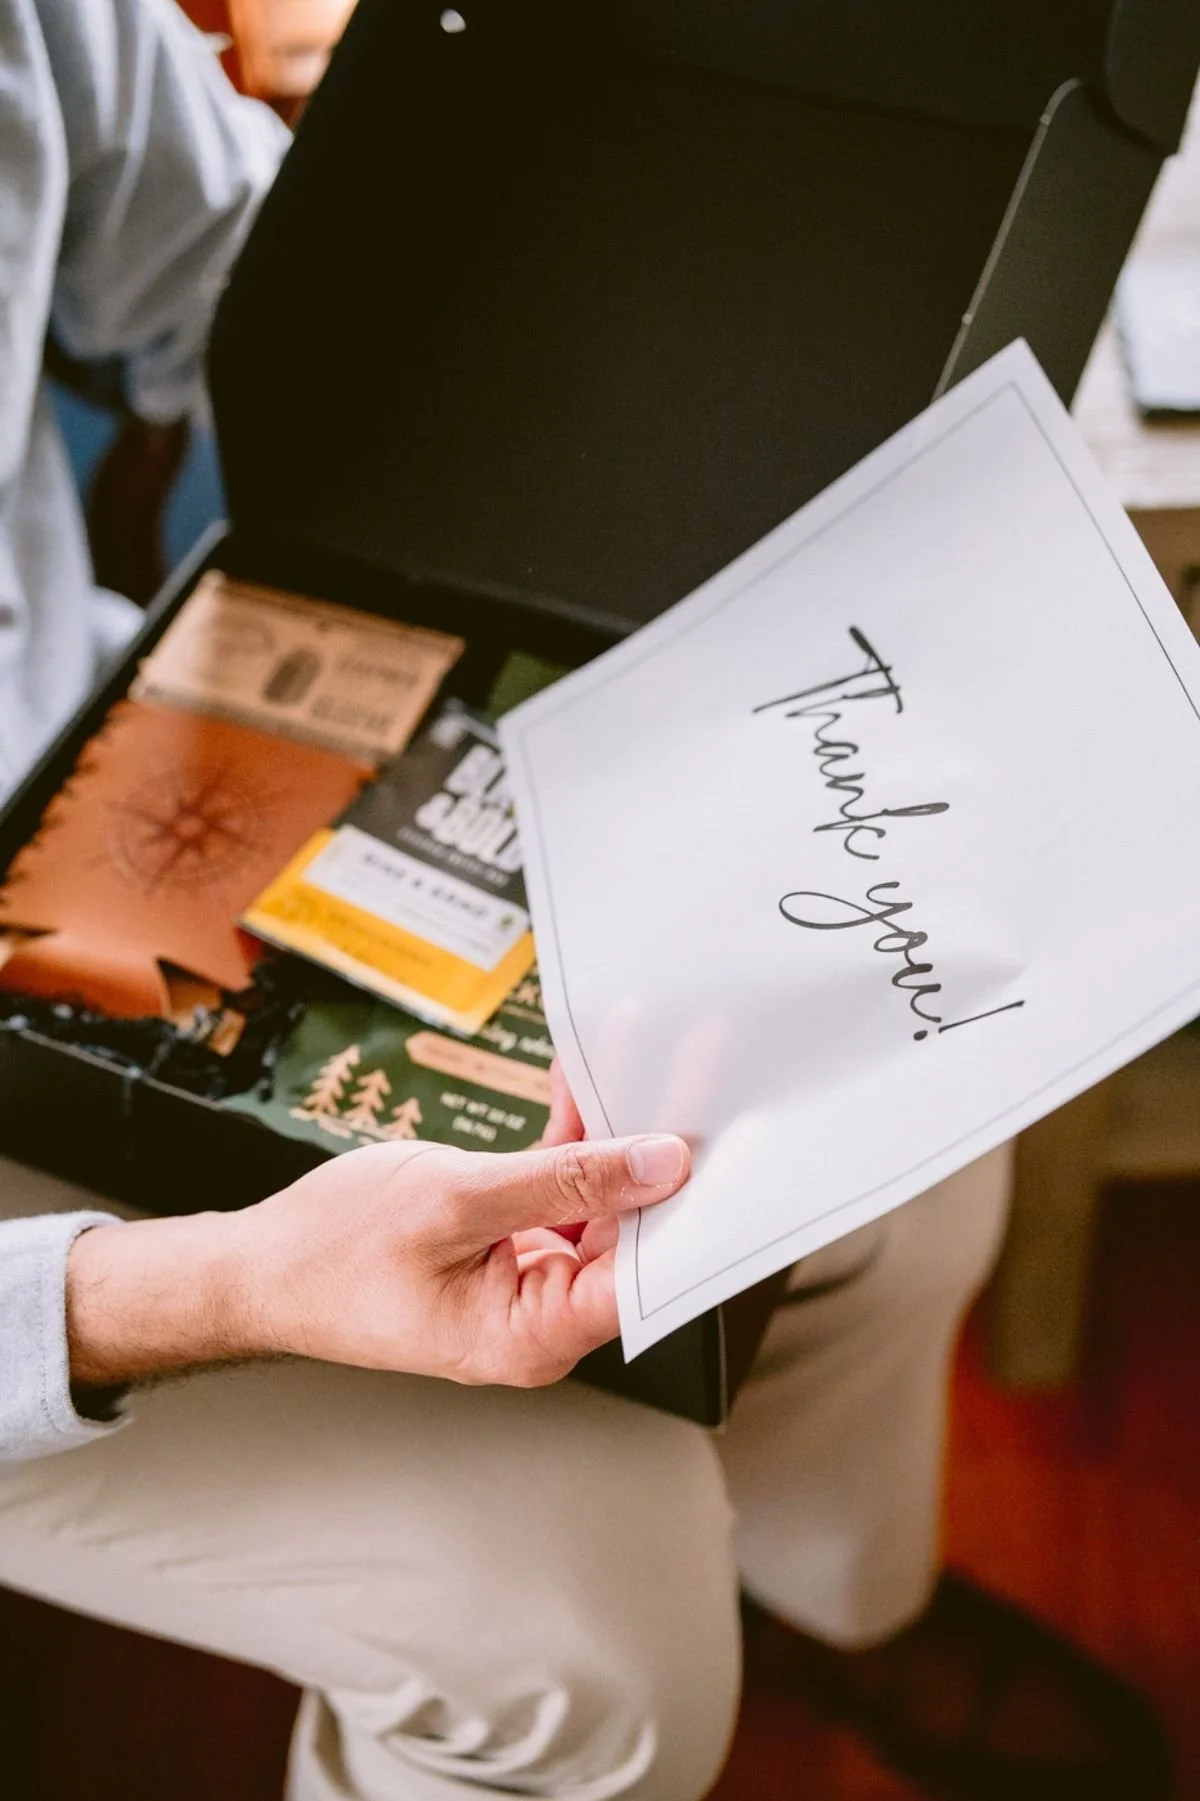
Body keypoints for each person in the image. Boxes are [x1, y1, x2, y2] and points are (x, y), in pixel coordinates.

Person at [0, 5, 1167, 1799]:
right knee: (596, 1640)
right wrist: (204, 1285)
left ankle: (834, 1601)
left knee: (912, 1175)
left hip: (110, 772)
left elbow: (258, 287)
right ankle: (711, 1613)